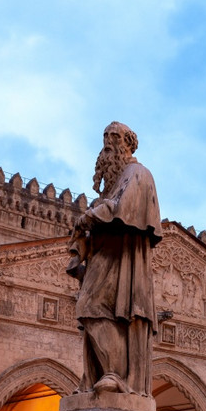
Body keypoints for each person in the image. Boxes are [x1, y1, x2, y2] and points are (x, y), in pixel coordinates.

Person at [67, 122, 162, 395]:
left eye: (114, 137)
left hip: (122, 259)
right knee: (94, 310)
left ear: (128, 144)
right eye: (105, 136)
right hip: (105, 255)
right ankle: (98, 375)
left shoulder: (137, 173)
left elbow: (124, 208)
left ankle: (115, 373)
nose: (108, 142)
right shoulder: (116, 181)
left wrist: (92, 215)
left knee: (93, 306)